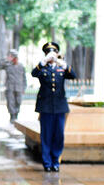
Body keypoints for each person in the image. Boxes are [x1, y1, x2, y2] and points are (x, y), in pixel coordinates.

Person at [31, 42, 76, 172]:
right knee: (46, 135)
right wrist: (43, 61)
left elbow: (73, 75)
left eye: (53, 53)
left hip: (60, 107)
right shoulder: (42, 68)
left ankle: (56, 162)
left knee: (58, 135)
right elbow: (33, 73)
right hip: (45, 108)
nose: (51, 56)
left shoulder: (61, 68)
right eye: (48, 54)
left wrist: (63, 63)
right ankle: (47, 163)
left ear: (57, 53)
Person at [0, 49, 27, 123]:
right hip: (10, 87)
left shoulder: (21, 66)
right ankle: (12, 115)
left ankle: (16, 114)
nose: (14, 59)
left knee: (18, 102)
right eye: (13, 57)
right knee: (10, 102)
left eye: (15, 57)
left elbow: (24, 78)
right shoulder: (7, 65)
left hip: (19, 87)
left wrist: (24, 88)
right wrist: (6, 59)